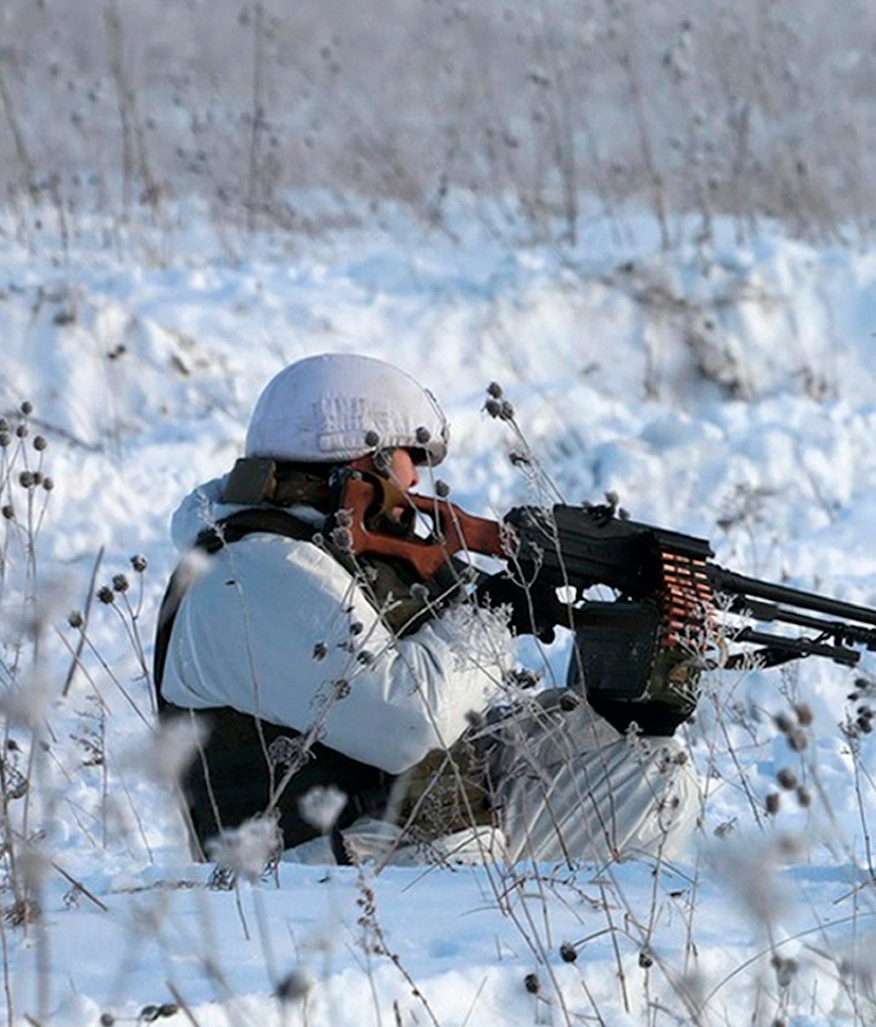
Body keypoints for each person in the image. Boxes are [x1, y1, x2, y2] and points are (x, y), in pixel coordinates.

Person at [155, 353, 701, 869]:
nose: (415, 480)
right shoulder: (252, 572)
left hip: (406, 842)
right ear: (359, 462)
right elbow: (405, 722)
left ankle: (618, 960)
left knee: (651, 770)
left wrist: (605, 719)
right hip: (311, 885)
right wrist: (496, 614)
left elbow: (460, 737)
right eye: (409, 457)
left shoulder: (341, 559)